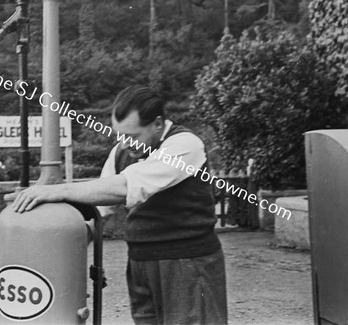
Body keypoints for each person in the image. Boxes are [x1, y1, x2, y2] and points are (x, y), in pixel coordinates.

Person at [13, 85, 227, 325]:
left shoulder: (186, 144)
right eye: (119, 135)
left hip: (186, 262)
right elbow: (98, 213)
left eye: (133, 136)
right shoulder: (120, 153)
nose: (124, 144)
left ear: (158, 124)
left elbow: (127, 186)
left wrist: (54, 191)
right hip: (140, 261)